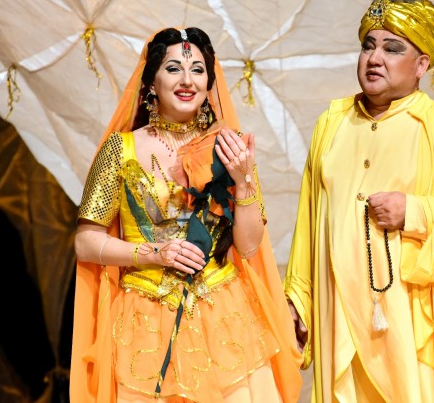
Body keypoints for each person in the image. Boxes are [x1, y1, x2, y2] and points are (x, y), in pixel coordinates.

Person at [284, 0, 434, 402]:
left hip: (408, 324)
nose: (375, 58)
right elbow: (309, 222)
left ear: (421, 65)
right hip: (339, 314)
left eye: (392, 49)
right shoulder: (331, 125)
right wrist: (298, 299)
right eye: (368, 45)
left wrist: (416, 211)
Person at [70, 27, 302, 402]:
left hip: (224, 316)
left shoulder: (228, 147)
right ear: (151, 82)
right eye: (173, 68)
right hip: (146, 320)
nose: (187, 80)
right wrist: (152, 254)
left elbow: (248, 247)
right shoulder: (121, 149)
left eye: (197, 70)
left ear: (209, 83)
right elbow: (85, 242)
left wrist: (244, 182)